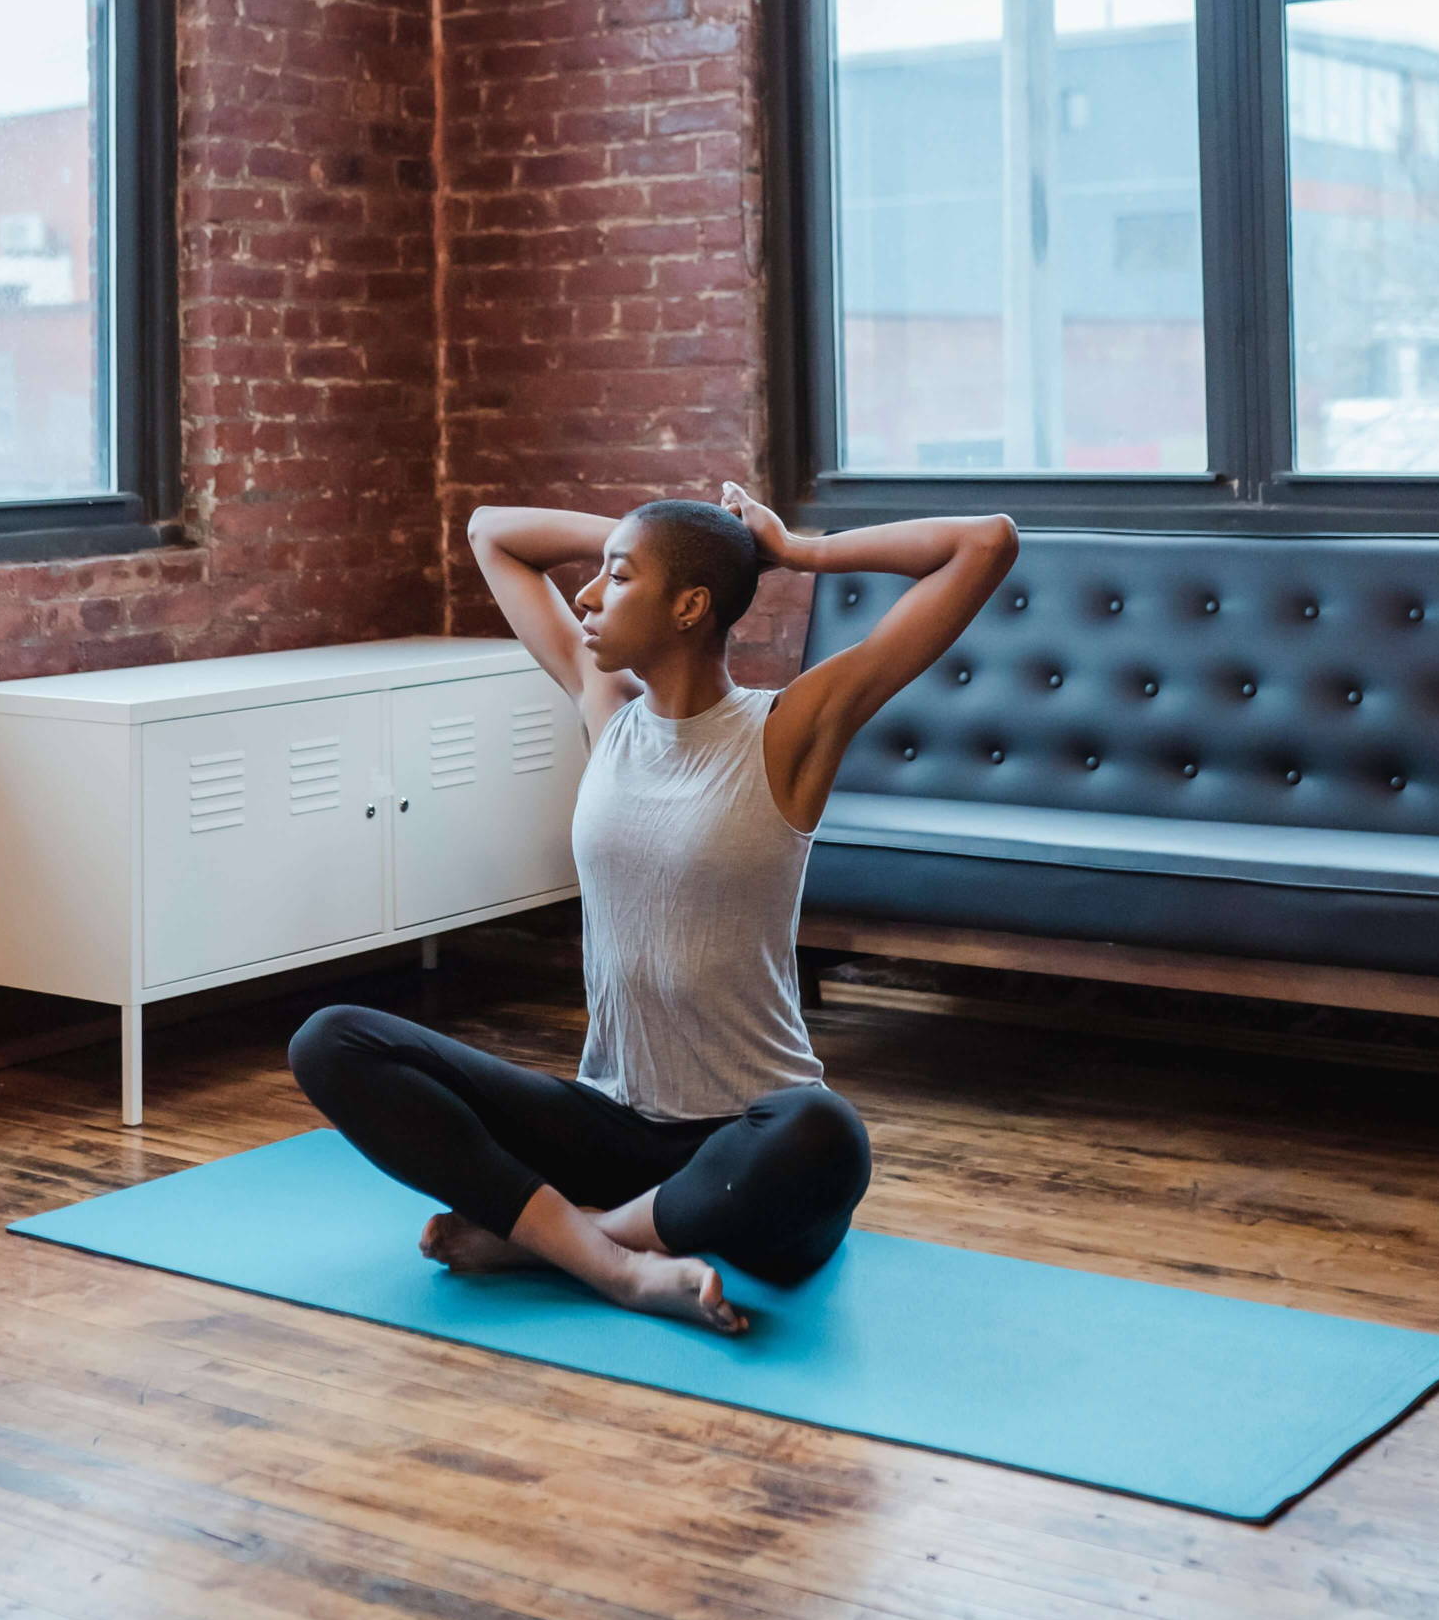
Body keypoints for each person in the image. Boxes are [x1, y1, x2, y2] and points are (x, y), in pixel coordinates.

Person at [289, 484, 1017, 1335]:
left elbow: (987, 543)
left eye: (618, 578)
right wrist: (668, 544)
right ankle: (616, 1267)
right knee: (332, 1041)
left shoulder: (787, 732)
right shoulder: (609, 713)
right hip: (605, 1127)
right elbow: (493, 532)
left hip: (746, 1146)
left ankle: (555, 1241)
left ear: (690, 607)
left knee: (826, 1133)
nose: (588, 597)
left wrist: (790, 552)